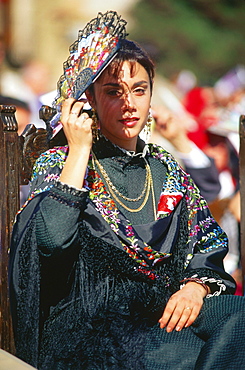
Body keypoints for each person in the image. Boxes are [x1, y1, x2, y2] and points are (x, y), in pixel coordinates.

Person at [9, 11, 245, 370]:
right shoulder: (62, 162)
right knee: (185, 356)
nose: (129, 104)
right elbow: (51, 242)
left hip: (168, 302)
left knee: (239, 317)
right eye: (113, 92)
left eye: (139, 90)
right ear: (89, 98)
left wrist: (195, 288)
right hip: (100, 321)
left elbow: (207, 240)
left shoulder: (164, 166)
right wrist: (80, 149)